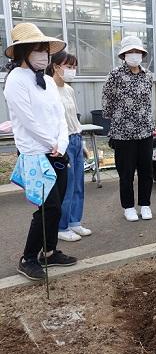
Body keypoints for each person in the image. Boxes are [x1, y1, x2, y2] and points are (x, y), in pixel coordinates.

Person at [3, 23, 77, 280]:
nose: (44, 55)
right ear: (23, 52)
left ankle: (51, 250)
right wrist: (51, 144)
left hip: (57, 151)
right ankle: (28, 257)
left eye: (46, 50)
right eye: (37, 50)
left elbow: (61, 118)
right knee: (47, 207)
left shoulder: (47, 80)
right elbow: (27, 120)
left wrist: (61, 144)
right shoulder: (14, 80)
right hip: (36, 153)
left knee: (57, 207)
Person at [102, 36, 154, 221]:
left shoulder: (148, 76)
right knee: (126, 172)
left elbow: (147, 102)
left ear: (142, 54)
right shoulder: (115, 75)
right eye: (130, 52)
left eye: (137, 52)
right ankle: (128, 207)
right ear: (124, 55)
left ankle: (145, 204)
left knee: (147, 171)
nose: (134, 55)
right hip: (122, 133)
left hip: (145, 131)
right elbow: (107, 100)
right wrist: (113, 120)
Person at [46, 51, 92, 242]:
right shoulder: (48, 89)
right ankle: (61, 226)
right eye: (69, 66)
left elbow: (74, 118)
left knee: (79, 184)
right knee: (66, 185)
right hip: (60, 142)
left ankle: (74, 221)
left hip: (75, 138)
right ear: (56, 67)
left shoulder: (69, 90)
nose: (72, 71)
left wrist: (81, 142)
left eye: (74, 67)